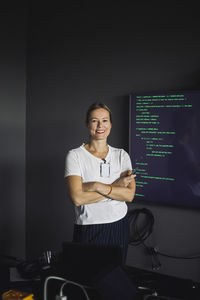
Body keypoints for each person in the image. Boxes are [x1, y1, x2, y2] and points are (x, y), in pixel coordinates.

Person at [64, 102, 136, 262]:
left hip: (119, 225)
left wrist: (95, 186)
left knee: (116, 276)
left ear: (110, 123)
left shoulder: (122, 155)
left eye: (105, 120)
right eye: (94, 120)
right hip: (89, 227)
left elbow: (129, 195)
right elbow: (77, 198)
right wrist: (116, 187)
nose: (100, 125)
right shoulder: (75, 156)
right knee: (86, 279)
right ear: (87, 123)